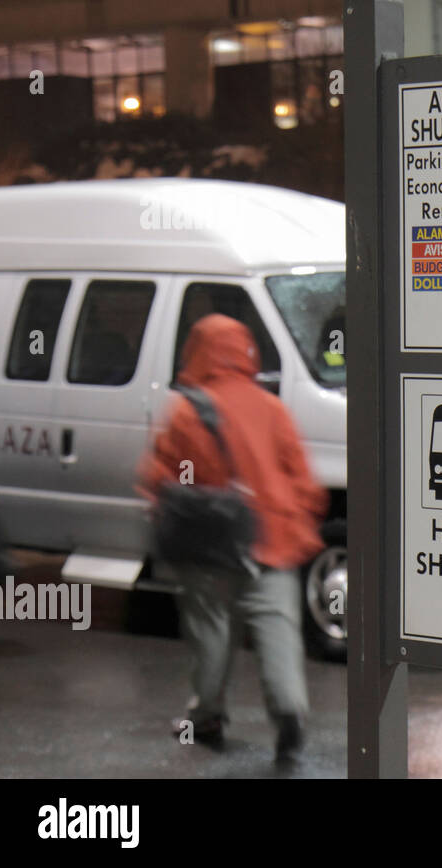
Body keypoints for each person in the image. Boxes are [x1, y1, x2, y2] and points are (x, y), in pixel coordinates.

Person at [140, 313, 327, 764]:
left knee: (211, 634)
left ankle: (207, 715)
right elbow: (302, 479)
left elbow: (160, 475)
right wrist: (295, 518)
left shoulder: (187, 410)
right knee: (278, 629)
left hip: (209, 547)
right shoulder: (272, 407)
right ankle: (289, 709)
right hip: (273, 540)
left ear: (197, 352)